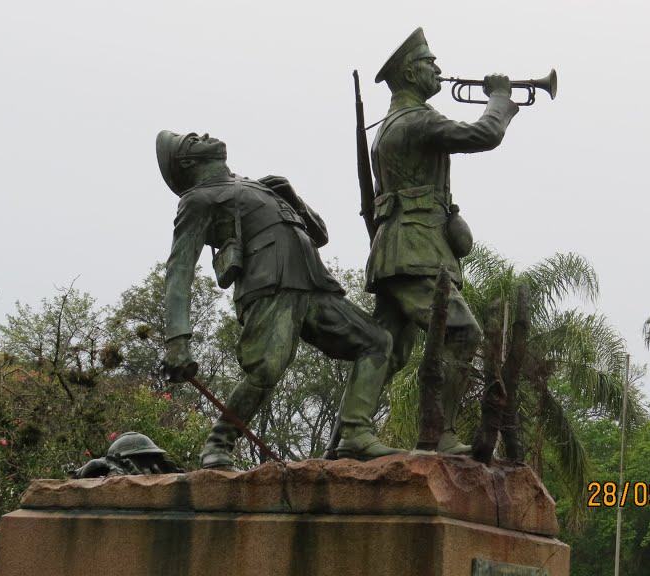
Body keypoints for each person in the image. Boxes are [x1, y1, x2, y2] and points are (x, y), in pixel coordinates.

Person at [157, 130, 404, 469]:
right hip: (269, 285)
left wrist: (295, 199)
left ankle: (354, 435)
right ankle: (219, 442)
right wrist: (177, 338)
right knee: (267, 369)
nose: (205, 135)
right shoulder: (199, 198)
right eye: (194, 139)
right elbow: (180, 267)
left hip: (313, 283)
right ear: (187, 162)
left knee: (377, 342)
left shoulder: (258, 185)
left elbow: (319, 236)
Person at [365, 28, 519, 454]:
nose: (439, 70)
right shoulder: (418, 119)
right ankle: (441, 434)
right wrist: (501, 100)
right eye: (431, 63)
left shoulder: (394, 124)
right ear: (412, 73)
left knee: (386, 347)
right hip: (415, 249)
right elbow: (484, 135)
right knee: (462, 334)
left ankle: (352, 431)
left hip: (400, 248)